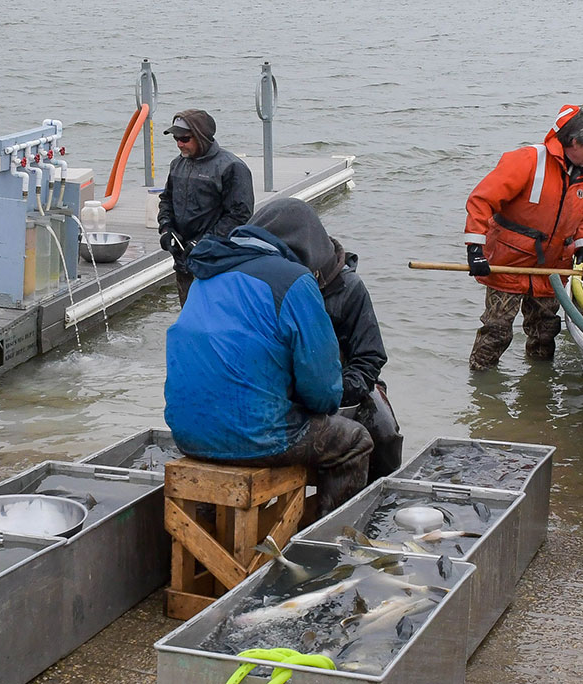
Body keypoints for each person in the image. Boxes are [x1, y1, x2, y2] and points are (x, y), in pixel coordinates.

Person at [163, 223, 373, 519]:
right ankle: (328, 547)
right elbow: (324, 393)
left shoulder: (205, 276)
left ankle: (212, 528)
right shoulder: (294, 280)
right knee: (354, 442)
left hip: (185, 434)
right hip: (257, 438)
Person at [254, 198, 405, 481]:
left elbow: (370, 357)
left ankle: (372, 496)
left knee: (384, 434)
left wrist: (339, 392)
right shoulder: (270, 284)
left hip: (343, 386)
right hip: (282, 387)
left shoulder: (350, 289)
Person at [463, 105, 583, 371]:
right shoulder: (527, 161)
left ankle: (539, 393)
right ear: (573, 142)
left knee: (546, 332)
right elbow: (481, 200)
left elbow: (580, 222)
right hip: (509, 262)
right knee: (496, 331)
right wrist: (475, 250)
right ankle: (481, 388)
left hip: (551, 268)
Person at [157, 109, 255, 302]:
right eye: (176, 138)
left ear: (201, 137)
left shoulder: (232, 167)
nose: (179, 144)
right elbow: (166, 199)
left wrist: (205, 242)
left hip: (218, 262)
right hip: (183, 259)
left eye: (184, 139)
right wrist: (166, 228)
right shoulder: (177, 164)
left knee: (218, 319)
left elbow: (240, 215)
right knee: (190, 319)